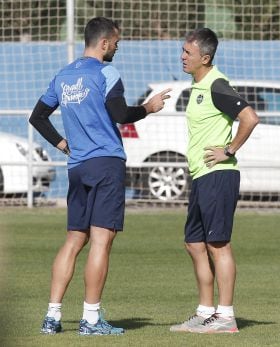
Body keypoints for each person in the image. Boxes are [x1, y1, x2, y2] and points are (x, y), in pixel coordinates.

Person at [29, 17, 171, 336]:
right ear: (104, 43)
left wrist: (64, 145)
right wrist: (148, 108)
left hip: (77, 167)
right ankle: (91, 320)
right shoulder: (107, 72)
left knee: (74, 239)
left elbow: (37, 117)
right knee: (101, 241)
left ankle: (52, 317)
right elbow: (120, 115)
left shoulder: (64, 75)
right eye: (116, 43)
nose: (117, 48)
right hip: (106, 163)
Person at [170, 28, 259, 334]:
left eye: (187, 53)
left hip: (219, 175)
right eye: (182, 50)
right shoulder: (198, 85)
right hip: (201, 176)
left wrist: (230, 149)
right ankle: (206, 311)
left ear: (204, 58)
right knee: (194, 243)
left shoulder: (217, 85)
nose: (182, 56)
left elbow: (250, 117)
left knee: (217, 244)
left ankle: (226, 316)